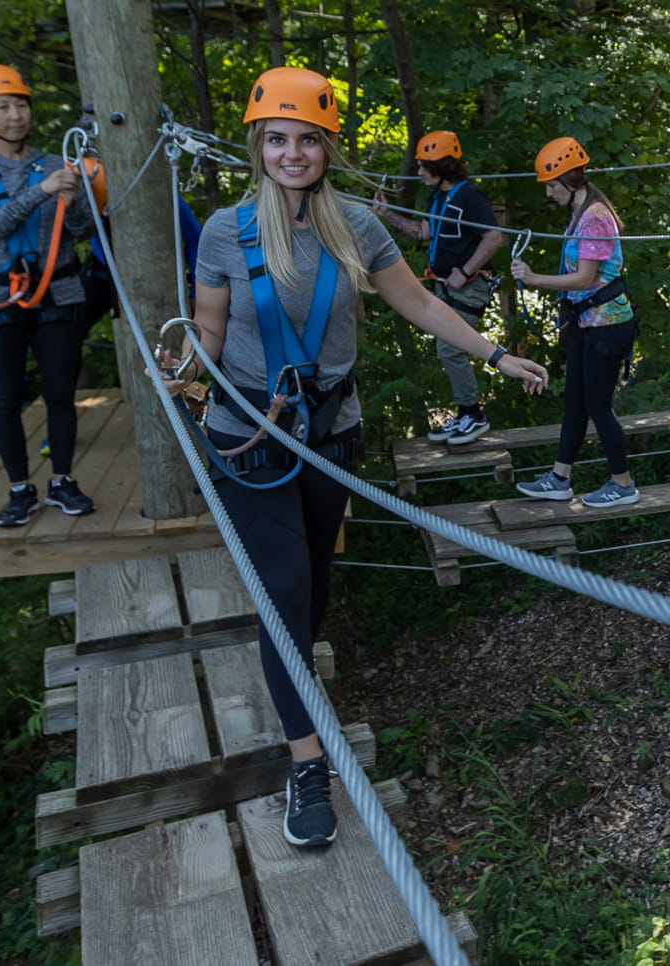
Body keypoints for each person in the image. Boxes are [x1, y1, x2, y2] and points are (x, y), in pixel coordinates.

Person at [163, 67, 548, 850]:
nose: (292, 152)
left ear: (327, 147)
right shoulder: (223, 231)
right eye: (278, 138)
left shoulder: (354, 228)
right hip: (251, 437)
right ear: (257, 145)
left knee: (314, 589)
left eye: (307, 138)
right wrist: (183, 367)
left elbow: (419, 301)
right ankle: (307, 762)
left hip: (332, 429)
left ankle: (296, 688)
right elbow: (207, 327)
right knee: (283, 589)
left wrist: (497, 351)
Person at [0, 64, 98, 529]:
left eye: (21, 104)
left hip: (57, 289)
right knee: (5, 396)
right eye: (2, 106)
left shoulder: (57, 165)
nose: (15, 115)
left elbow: (78, 230)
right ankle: (19, 488)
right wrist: (43, 191)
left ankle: (62, 480)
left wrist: (81, 199)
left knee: (60, 392)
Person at [509, 137, 641, 510]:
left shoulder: (596, 217)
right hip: (589, 323)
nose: (548, 193)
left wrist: (535, 279)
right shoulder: (582, 211)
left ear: (571, 180)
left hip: (608, 324)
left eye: (552, 185)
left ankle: (623, 484)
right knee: (574, 403)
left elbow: (585, 279)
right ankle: (559, 478)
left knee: (597, 405)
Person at [373, 130, 506, 444]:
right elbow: (422, 232)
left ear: (443, 166)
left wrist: (465, 270)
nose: (418, 173)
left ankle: (473, 415)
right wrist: (387, 214)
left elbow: (494, 237)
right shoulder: (437, 198)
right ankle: (466, 414)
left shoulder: (469, 196)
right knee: (448, 348)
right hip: (445, 286)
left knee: (450, 348)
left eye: (424, 166)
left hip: (469, 286)